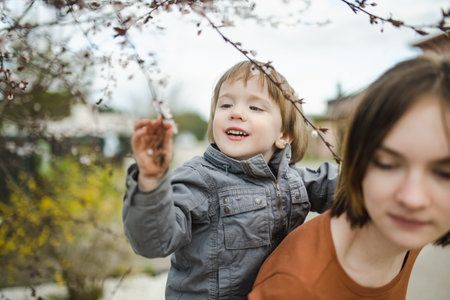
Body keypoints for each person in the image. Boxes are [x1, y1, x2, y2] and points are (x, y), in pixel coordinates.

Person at [122, 60, 338, 299]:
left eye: (255, 108)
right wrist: (151, 183)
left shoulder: (295, 180)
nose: (236, 113)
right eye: (225, 105)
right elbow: (153, 243)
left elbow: (348, 187)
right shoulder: (199, 180)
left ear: (284, 135)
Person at [249, 54, 450, 300]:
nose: (413, 198)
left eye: (444, 174)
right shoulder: (294, 288)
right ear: (356, 161)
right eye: (388, 164)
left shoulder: (408, 228)